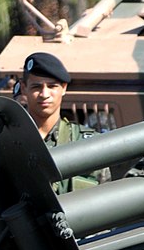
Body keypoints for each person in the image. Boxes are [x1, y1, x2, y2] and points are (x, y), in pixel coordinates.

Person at [16, 51, 109, 193]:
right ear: (24, 88)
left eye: (52, 86)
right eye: (36, 87)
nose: (44, 94)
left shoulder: (86, 144)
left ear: (64, 88)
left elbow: (105, 197)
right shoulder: (7, 142)